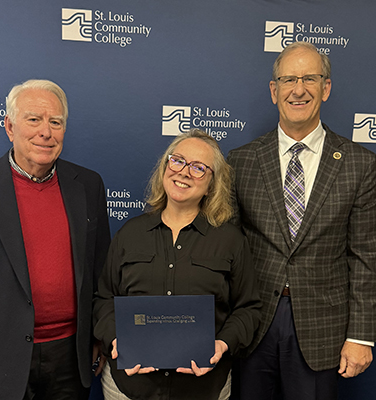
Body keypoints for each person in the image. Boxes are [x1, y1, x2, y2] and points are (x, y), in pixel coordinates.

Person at [0, 79, 111, 400]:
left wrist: (99, 334)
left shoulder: (88, 184)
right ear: (9, 126)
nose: (46, 131)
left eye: (55, 122)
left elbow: (100, 270)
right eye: (34, 119)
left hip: (71, 355)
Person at [227, 42, 376, 400]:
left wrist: (360, 337)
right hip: (253, 323)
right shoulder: (242, 161)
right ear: (274, 90)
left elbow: (364, 258)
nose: (299, 89)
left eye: (309, 78)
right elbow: (227, 252)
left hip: (322, 328)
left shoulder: (359, 164)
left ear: (325, 88)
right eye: (289, 79)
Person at [93, 129, 261, 400]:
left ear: (211, 184)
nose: (183, 172)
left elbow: (248, 309)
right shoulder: (130, 234)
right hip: (129, 388)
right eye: (177, 160)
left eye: (198, 168)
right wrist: (116, 339)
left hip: (204, 389)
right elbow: (104, 300)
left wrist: (222, 344)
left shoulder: (230, 241)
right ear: (165, 167)